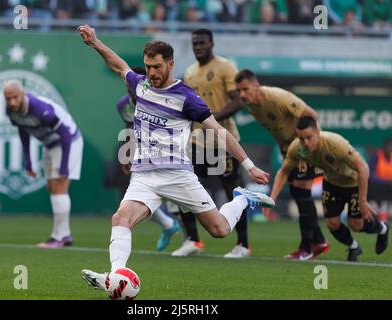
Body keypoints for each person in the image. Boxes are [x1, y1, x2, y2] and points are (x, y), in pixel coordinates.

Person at [76, 24, 275, 294]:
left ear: (170, 63)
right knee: (120, 219)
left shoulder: (187, 98)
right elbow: (118, 65)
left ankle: (242, 198)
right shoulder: (141, 85)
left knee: (219, 230)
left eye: (157, 67)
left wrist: (249, 166)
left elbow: (220, 132)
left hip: (178, 175)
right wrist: (95, 43)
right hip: (145, 176)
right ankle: (115, 278)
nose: (152, 73)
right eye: (147, 67)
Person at [216, 69, 329, 260]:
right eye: (239, 91)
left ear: (256, 85)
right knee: (298, 192)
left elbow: (311, 115)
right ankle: (317, 242)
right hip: (290, 150)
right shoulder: (252, 106)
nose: (242, 95)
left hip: (304, 148)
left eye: (245, 89)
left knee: (301, 192)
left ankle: (308, 246)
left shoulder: (277, 97)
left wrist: (308, 147)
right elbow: (276, 128)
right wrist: (285, 149)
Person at [264, 116, 389, 262]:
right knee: (332, 223)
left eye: (309, 137)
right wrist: (271, 199)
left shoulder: (335, 143)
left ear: (317, 131)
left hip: (352, 183)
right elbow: (283, 171)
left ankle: (382, 228)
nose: (305, 143)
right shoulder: (297, 148)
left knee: (356, 225)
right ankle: (353, 246)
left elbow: (363, 167)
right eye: (301, 138)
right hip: (331, 183)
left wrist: (362, 201)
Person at [174, 28, 250, 259]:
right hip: (197, 141)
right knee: (183, 187)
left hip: (224, 141)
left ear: (212, 44)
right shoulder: (189, 73)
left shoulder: (225, 67)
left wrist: (212, 118)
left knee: (231, 191)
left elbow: (239, 100)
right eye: (195, 43)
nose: (198, 47)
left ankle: (243, 245)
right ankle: (193, 240)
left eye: (202, 43)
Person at [3, 80, 83, 249]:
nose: (12, 102)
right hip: (50, 144)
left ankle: (58, 237)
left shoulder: (38, 108)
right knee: (52, 188)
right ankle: (64, 234)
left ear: (22, 93)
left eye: (15, 97)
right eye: (8, 98)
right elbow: (23, 130)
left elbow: (65, 133)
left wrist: (64, 166)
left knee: (59, 186)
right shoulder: (10, 111)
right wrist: (28, 161)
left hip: (69, 141)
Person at [116, 66, 181, 252]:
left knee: (178, 199)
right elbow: (128, 127)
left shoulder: (161, 99)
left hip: (169, 153)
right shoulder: (123, 104)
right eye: (127, 83)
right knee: (137, 199)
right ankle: (169, 225)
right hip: (142, 153)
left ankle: (190, 238)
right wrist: (126, 154)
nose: (131, 87)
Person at [368, 138, 392, 222]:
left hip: (389, 190)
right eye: (388, 146)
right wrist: (384, 181)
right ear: (384, 147)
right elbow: (370, 175)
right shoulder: (377, 156)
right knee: (375, 211)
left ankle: (384, 214)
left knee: (385, 208)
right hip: (376, 189)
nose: (389, 149)